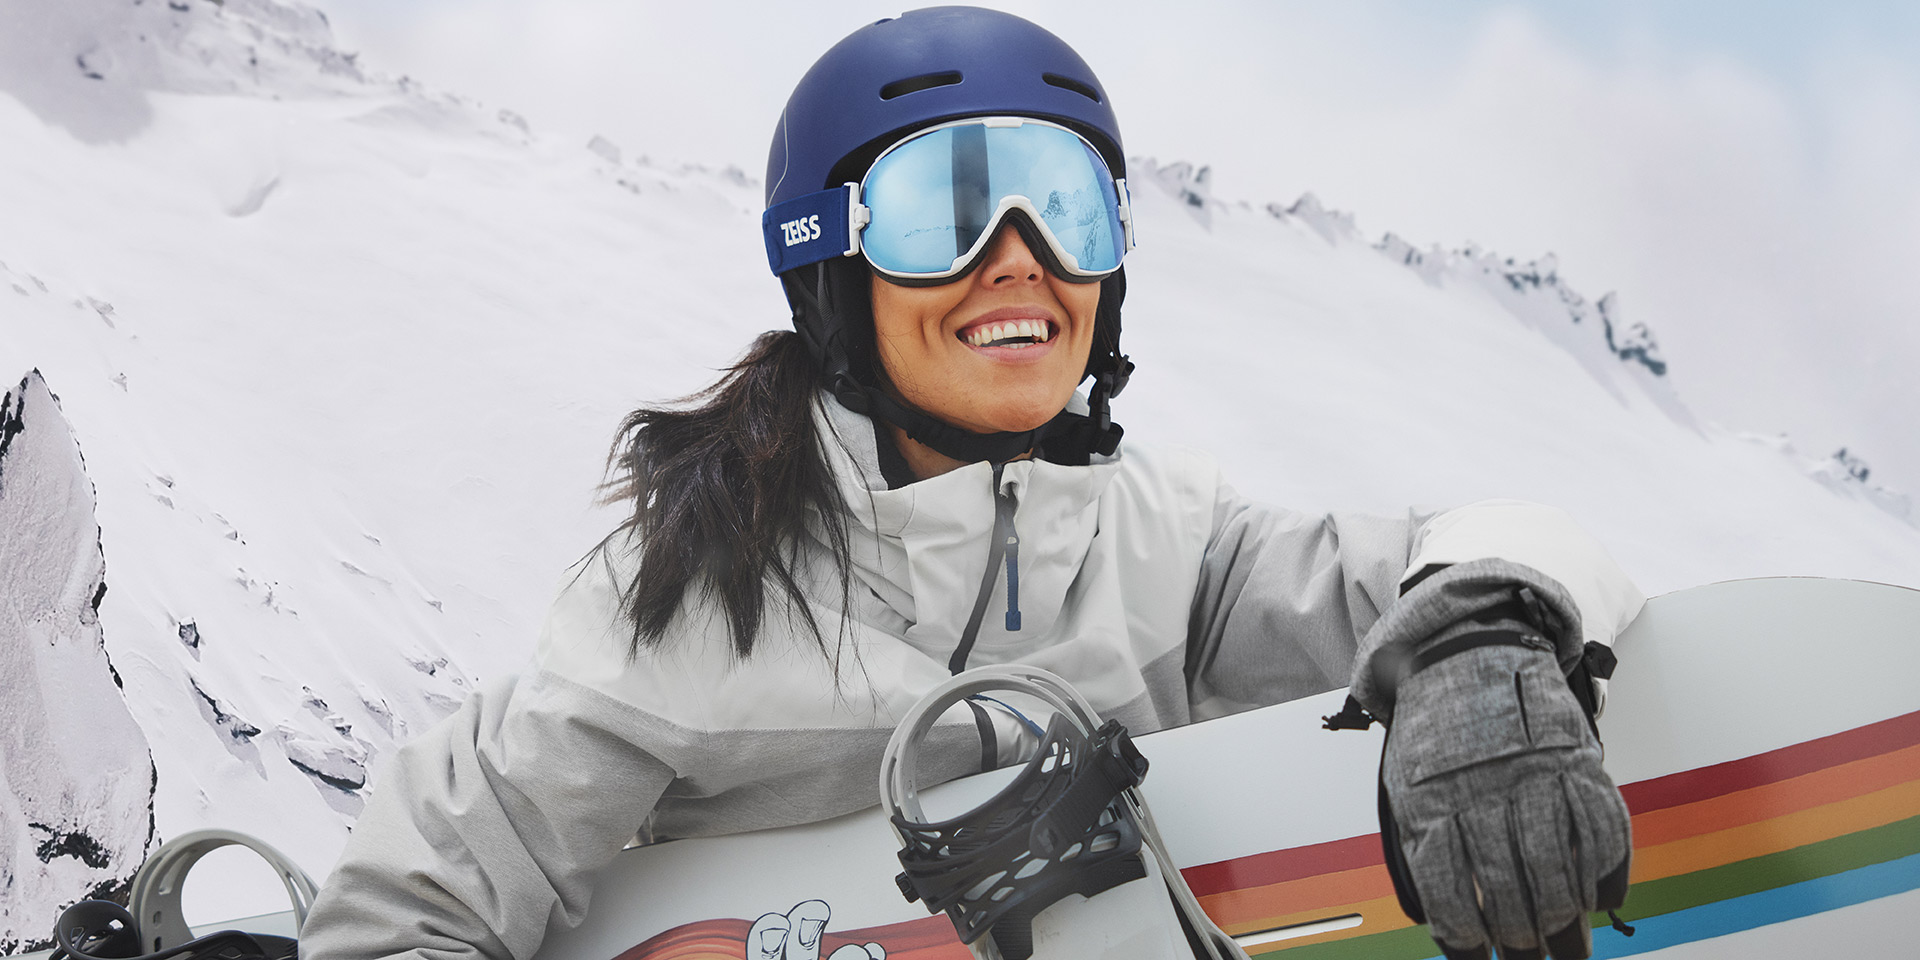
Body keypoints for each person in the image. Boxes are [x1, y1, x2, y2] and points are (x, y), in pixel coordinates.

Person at [301, 8, 1643, 960]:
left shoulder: (1165, 545)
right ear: (835, 273)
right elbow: (418, 900)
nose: (1020, 261)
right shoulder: (684, 605)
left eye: (1067, 208)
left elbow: (1464, 540)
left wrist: (1480, 631)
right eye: (945, 213)